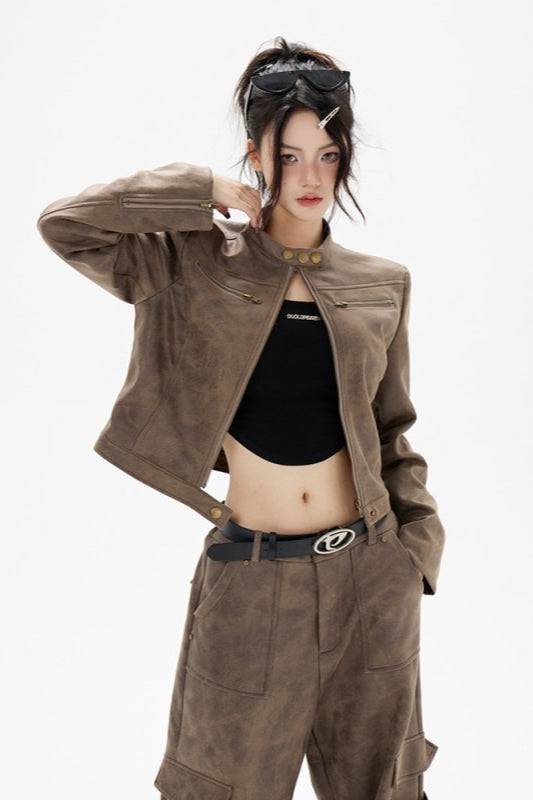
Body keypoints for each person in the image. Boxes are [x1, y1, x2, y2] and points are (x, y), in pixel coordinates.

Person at [37, 35, 445, 800]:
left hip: (370, 582)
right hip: (249, 583)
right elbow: (66, 224)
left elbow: (392, 433)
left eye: (327, 154)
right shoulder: (191, 264)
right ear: (255, 156)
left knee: (387, 789)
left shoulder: (381, 283)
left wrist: (414, 554)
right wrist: (198, 190)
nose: (310, 176)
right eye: (288, 155)